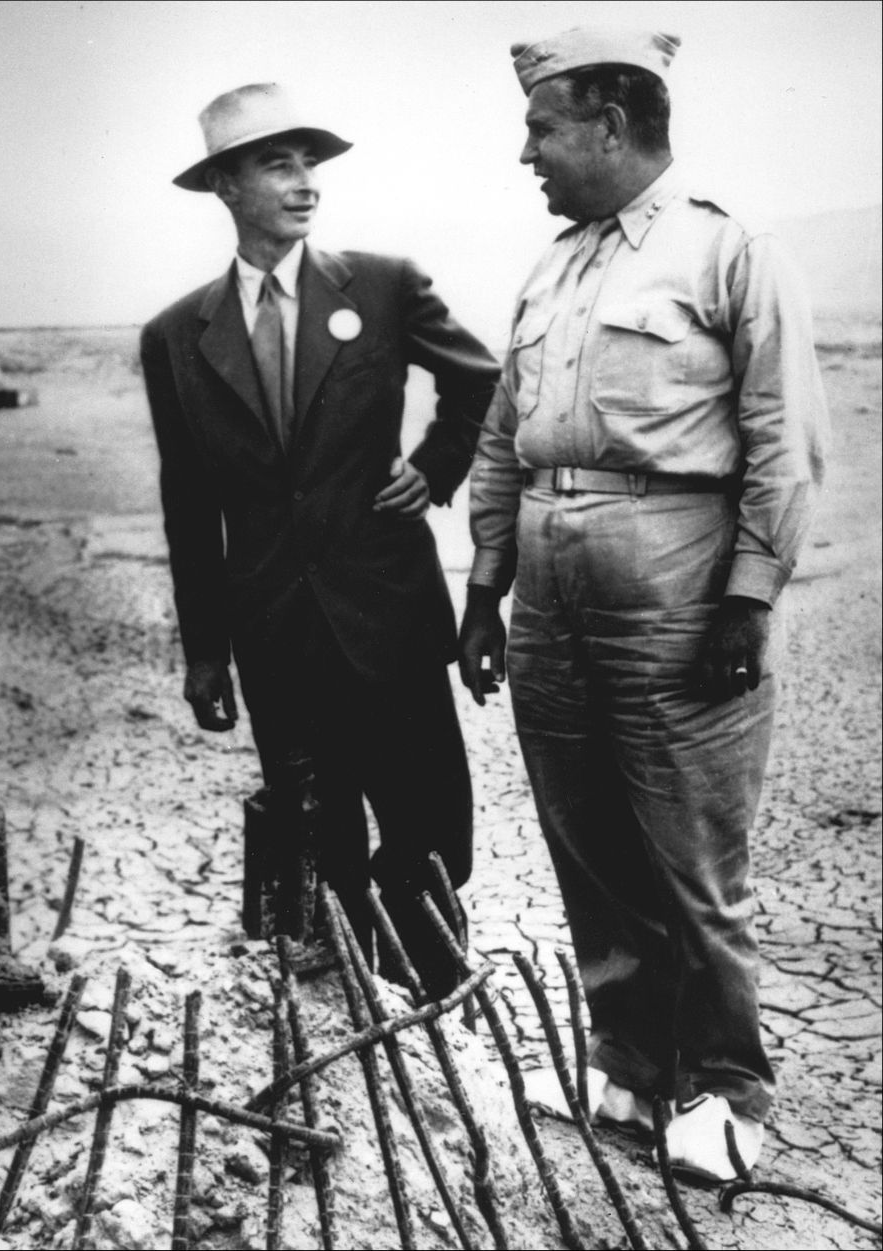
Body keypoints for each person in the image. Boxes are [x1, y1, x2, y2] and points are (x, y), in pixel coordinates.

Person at [459, 29, 828, 1181]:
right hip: (551, 605)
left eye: (543, 127)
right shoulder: (552, 266)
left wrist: (747, 599)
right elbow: (502, 439)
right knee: (588, 846)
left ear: (611, 127)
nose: (528, 153)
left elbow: (783, 440)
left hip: (676, 593)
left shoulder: (729, 251)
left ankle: (725, 1092)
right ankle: (628, 1068)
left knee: (689, 858)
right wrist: (482, 587)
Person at [140, 83, 499, 992]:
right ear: (224, 184)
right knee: (315, 840)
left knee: (432, 835)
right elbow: (190, 504)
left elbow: (483, 385)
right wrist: (206, 652)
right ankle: (347, 1026)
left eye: (311, 164)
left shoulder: (382, 285)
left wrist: (437, 463)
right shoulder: (178, 336)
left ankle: (427, 1009)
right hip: (276, 639)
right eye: (278, 163)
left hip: (389, 621)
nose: (307, 184)